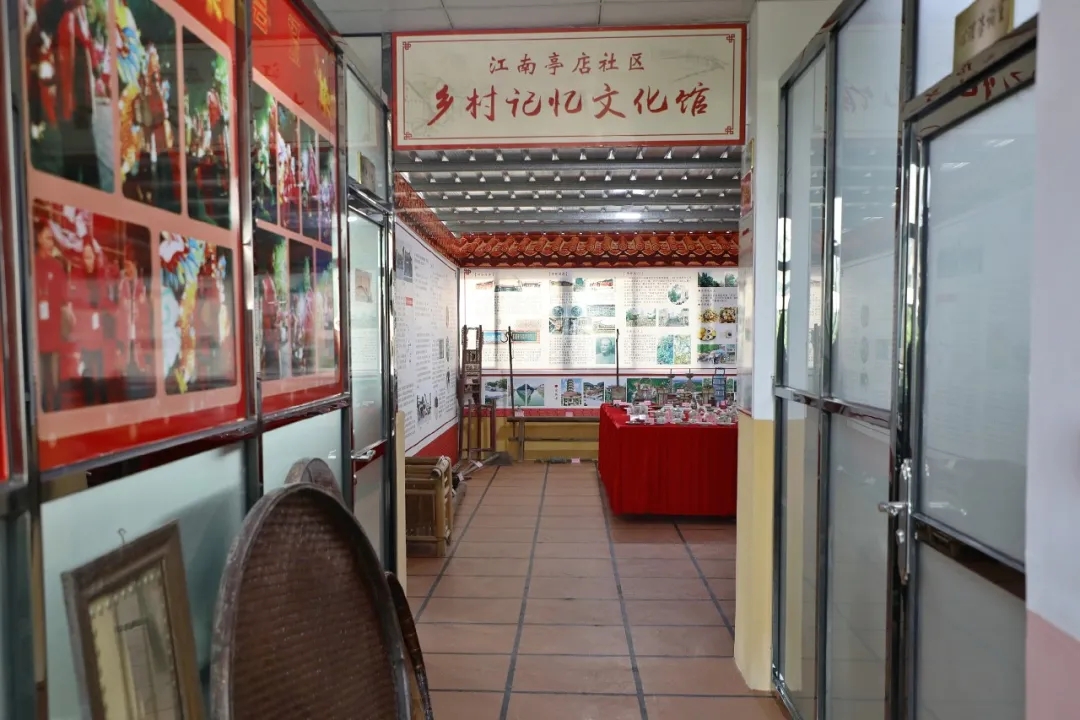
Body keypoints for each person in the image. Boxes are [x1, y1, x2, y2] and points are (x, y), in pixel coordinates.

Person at [33, 217, 71, 411]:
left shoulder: (56, 266)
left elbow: (64, 296)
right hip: (37, 334)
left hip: (53, 333)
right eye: (47, 237)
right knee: (39, 382)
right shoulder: (31, 264)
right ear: (38, 238)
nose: (50, 242)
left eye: (51, 238)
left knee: (54, 383)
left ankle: (55, 414)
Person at [68, 241, 110, 405]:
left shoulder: (101, 275)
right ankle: (89, 399)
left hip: (98, 327)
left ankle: (103, 397)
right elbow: (75, 301)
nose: (88, 260)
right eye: (85, 257)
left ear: (94, 257)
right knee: (87, 365)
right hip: (85, 328)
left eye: (90, 256)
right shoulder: (77, 276)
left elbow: (105, 299)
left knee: (100, 364)